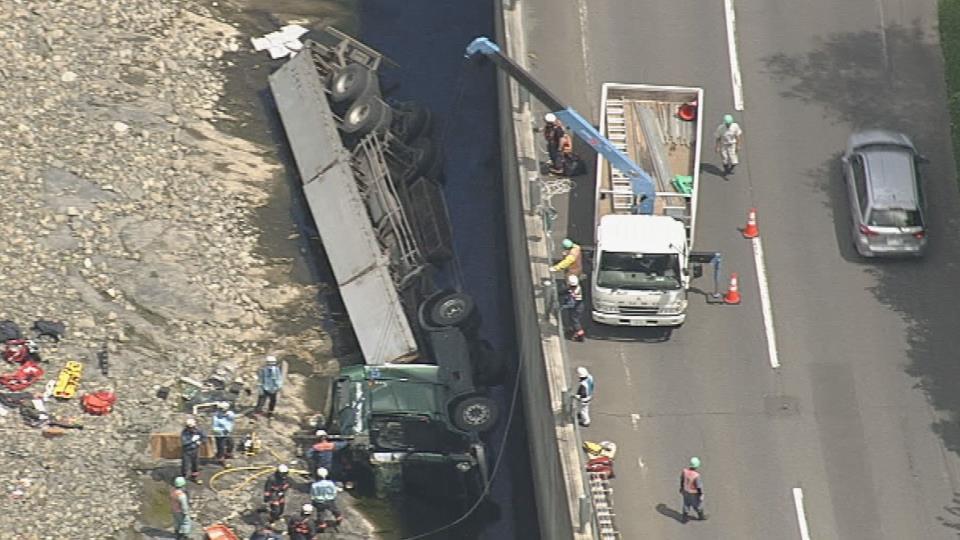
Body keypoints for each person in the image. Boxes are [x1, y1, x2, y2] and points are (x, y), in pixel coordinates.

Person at [180, 417, 206, 484]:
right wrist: (192, 440)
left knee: (195, 465)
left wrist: (200, 441)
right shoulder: (184, 432)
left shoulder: (198, 430)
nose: (192, 429)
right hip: (187, 451)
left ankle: (194, 477)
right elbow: (184, 442)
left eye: (193, 427)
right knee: (185, 466)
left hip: (195, 450)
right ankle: (183, 479)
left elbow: (204, 437)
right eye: (191, 427)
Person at [680, 456, 705, 522]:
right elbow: (699, 486)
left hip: (685, 491)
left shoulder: (684, 471)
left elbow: (682, 480)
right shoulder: (696, 475)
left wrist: (681, 488)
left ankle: (684, 518)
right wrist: (701, 494)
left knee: (686, 504)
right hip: (694, 493)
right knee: (697, 505)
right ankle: (701, 516)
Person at [561, 275, 585, 341]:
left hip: (577, 307)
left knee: (575, 320)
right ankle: (573, 330)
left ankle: (580, 334)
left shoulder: (575, 292)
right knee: (573, 319)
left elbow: (572, 303)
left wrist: (563, 306)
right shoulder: (577, 288)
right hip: (578, 306)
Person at [211, 402, 236, 466]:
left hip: (227, 433)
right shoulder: (216, 417)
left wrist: (228, 415)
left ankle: (228, 454)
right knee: (221, 448)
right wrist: (222, 430)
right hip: (220, 435)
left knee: (231, 443)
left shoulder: (229, 414)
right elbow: (214, 428)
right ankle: (221, 459)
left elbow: (232, 417)